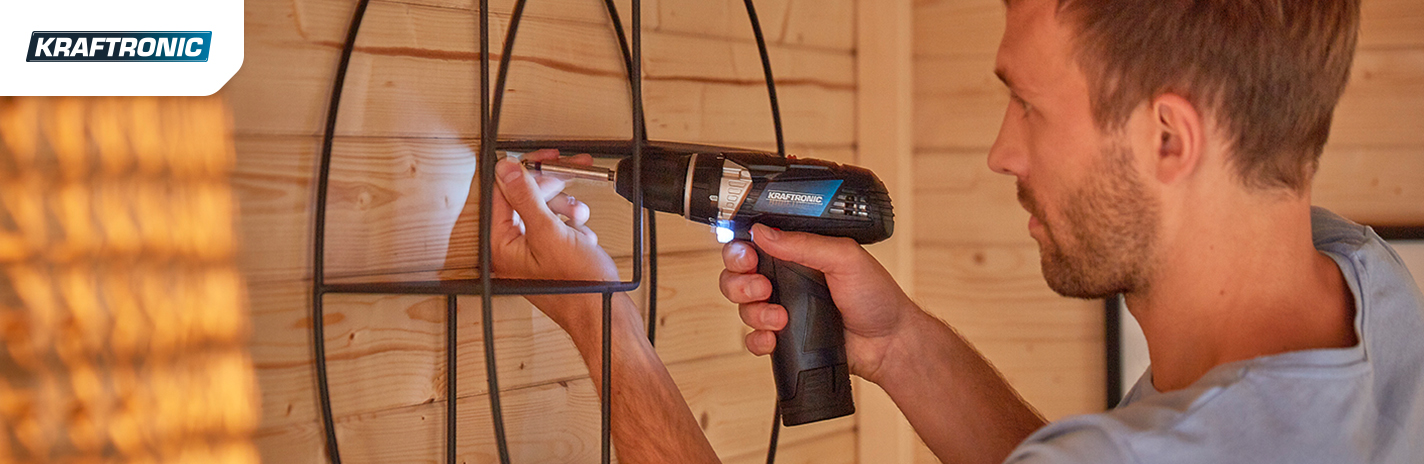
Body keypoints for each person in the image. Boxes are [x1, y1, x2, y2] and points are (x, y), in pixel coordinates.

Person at [487, 0, 1424, 462]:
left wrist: (600, 324)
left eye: (1027, 105)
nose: (1001, 152)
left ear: (1169, 138)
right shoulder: (1368, 287)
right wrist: (902, 348)